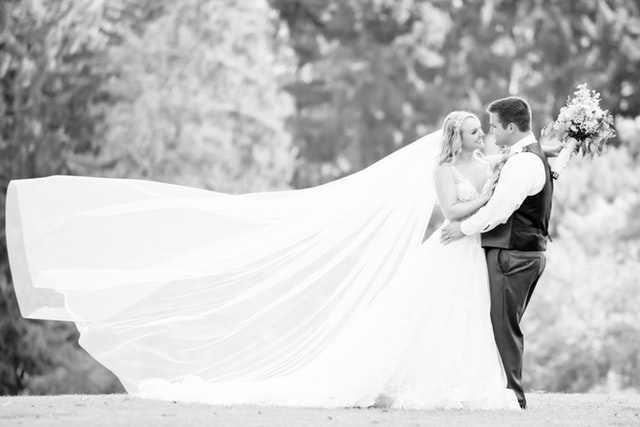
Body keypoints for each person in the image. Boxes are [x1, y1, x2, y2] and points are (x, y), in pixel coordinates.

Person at [5, 108, 558, 410]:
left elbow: (511, 166)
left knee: (470, 322)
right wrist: (481, 201)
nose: (478, 136)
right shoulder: (445, 168)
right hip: (454, 246)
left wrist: (545, 151)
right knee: (432, 318)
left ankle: (478, 386)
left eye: (479, 131)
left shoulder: (497, 158)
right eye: (468, 132)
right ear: (452, 139)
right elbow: (453, 208)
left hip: (471, 253)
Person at [441, 97, 554, 409]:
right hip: (521, 251)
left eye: (492, 126)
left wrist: (463, 229)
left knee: (503, 324)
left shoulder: (523, 162)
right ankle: (501, 389)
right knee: (501, 321)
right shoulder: (524, 156)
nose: (489, 133)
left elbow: (500, 209)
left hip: (513, 253)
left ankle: (512, 396)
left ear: (511, 127)